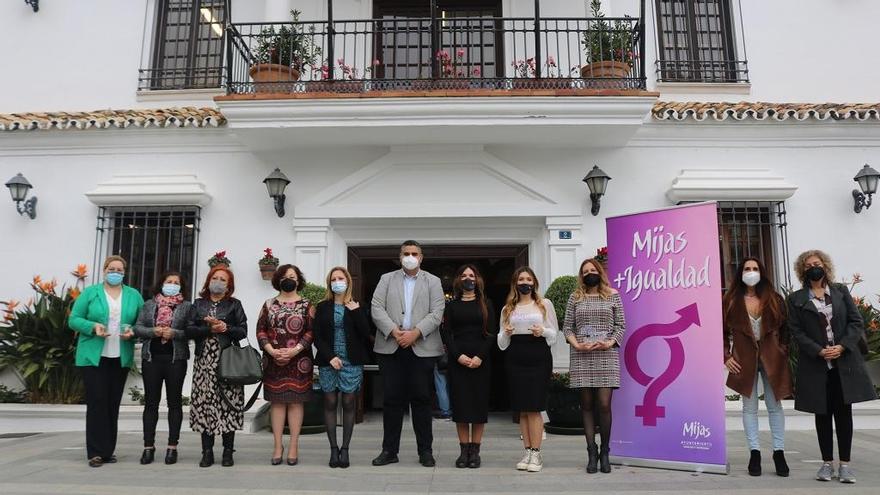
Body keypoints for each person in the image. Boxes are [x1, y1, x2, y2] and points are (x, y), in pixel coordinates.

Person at [787, 250, 877, 483]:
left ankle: (845, 465)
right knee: (822, 415)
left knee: (844, 414)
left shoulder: (840, 291)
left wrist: (843, 346)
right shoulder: (796, 299)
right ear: (802, 271)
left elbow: (856, 322)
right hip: (816, 365)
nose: (813, 268)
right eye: (807, 266)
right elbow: (796, 331)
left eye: (816, 264)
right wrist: (818, 349)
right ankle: (826, 464)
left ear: (825, 266)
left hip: (843, 363)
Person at [371, 240, 446, 467]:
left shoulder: (433, 281)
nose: (410, 256)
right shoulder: (386, 279)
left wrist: (415, 333)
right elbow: (376, 307)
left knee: (421, 400)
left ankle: (425, 451)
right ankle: (389, 451)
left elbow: (437, 311)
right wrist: (395, 332)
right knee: (392, 400)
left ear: (421, 257)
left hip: (421, 348)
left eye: (414, 253)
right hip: (391, 347)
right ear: (400, 256)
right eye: (406, 253)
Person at [68, 255, 144, 467]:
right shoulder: (90, 293)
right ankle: (95, 452)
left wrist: (132, 331)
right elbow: (73, 319)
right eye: (112, 269)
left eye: (120, 270)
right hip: (93, 357)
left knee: (112, 404)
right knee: (96, 403)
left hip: (119, 357)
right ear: (104, 271)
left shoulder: (133, 295)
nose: (115, 272)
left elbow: (141, 322)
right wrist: (93, 327)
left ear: (125, 273)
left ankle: (108, 450)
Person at [722, 257, 792, 477]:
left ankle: (779, 452)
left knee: (775, 406)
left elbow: (787, 329)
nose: (751, 272)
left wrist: (782, 351)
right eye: (747, 269)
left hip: (773, 359)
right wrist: (725, 356)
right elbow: (721, 332)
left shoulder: (774, 299)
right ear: (740, 273)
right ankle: (755, 453)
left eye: (754, 268)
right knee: (749, 408)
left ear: (761, 272)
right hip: (744, 360)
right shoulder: (731, 300)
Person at [562, 258, 625, 474]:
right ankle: (591, 451)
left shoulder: (613, 295)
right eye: (585, 271)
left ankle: (605, 452)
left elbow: (621, 325)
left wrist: (609, 342)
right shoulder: (575, 297)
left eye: (593, 270)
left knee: (604, 405)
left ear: (599, 272)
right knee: (587, 405)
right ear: (581, 275)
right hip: (582, 356)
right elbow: (567, 328)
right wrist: (576, 344)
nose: (590, 273)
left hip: (606, 355)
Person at [186, 266, 248, 468]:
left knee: (228, 404)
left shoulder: (234, 305)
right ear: (208, 280)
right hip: (204, 362)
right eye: (215, 278)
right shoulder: (198, 304)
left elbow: (242, 331)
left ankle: (228, 452)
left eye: (223, 279)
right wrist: (208, 328)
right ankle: (207, 451)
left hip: (227, 361)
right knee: (205, 404)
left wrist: (226, 328)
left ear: (229, 285)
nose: (218, 281)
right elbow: (188, 330)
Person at [497, 266, 558, 473]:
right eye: (521, 279)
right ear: (515, 283)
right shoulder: (508, 308)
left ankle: (537, 453)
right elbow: (501, 343)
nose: (525, 282)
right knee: (522, 408)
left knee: (534, 407)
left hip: (538, 356)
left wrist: (543, 331)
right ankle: (527, 452)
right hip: (515, 357)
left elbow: (554, 335)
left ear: (534, 283)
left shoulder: (544, 304)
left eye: (528, 279)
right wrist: (505, 332)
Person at [256, 264, 315, 466]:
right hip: (274, 361)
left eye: (292, 276)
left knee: (296, 403)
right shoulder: (268, 304)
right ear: (278, 280)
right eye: (284, 276)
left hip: (299, 362)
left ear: (298, 280)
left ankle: (293, 446)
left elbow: (310, 331)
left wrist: (295, 350)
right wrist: (272, 351)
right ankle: (277, 445)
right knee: (278, 403)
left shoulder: (307, 304)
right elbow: (261, 330)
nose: (288, 279)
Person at [313, 266, 371, 468]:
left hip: (351, 361)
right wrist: (330, 357)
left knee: (348, 402)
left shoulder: (358, 305)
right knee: (329, 401)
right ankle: (333, 450)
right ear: (329, 283)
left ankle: (345, 449)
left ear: (348, 281)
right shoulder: (322, 307)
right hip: (329, 360)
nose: (337, 281)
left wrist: (355, 312)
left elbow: (366, 333)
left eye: (341, 278)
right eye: (333, 279)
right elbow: (317, 337)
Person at [134, 271, 193, 465]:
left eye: (177, 282)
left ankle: (172, 447)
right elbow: (138, 328)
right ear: (161, 284)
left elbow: (191, 332)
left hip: (176, 359)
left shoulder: (186, 307)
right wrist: (154, 331)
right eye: (169, 281)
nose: (173, 285)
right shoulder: (149, 305)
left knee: (174, 403)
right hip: (152, 358)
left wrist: (174, 333)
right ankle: (148, 447)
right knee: (151, 403)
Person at [441, 264, 497, 469]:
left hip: (481, 361)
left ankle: (475, 451)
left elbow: (492, 333)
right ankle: (463, 451)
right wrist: (458, 356)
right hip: (459, 361)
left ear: (478, 279)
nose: (468, 278)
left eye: (471, 275)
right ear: (458, 280)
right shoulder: (451, 306)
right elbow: (446, 334)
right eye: (463, 275)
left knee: (478, 407)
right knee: (462, 407)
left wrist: (480, 357)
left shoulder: (486, 303)